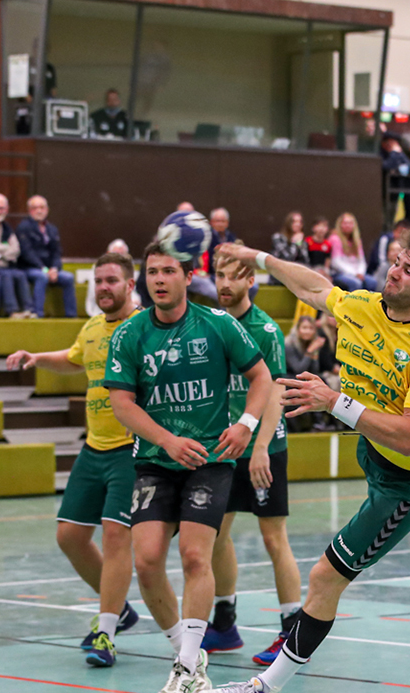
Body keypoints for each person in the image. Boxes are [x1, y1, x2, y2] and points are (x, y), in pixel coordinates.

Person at [211, 229, 410, 693]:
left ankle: (265, 686)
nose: (394, 272)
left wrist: (334, 401)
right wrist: (256, 255)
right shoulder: (365, 306)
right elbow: (313, 287)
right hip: (373, 453)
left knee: (326, 577)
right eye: (396, 261)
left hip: (406, 482)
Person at [105, 241, 273, 693]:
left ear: (187, 276)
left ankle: (183, 669)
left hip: (210, 459)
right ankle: (189, 654)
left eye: (168, 271)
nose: (158, 280)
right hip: (155, 461)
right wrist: (167, 440)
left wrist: (246, 425)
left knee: (196, 556)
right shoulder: (129, 333)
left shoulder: (217, 324)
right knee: (146, 562)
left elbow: (261, 377)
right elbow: (121, 403)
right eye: (152, 272)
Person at [5, 253, 142, 667]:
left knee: (116, 536)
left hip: (131, 449)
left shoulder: (144, 327)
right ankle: (119, 609)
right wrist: (36, 358)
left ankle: (105, 632)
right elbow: (74, 358)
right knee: (69, 536)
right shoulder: (93, 327)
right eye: (98, 281)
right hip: (94, 446)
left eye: (111, 280)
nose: (103, 287)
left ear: (129, 285)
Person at [201, 252, 302, 666]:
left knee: (273, 538)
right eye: (219, 275)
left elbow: (277, 390)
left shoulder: (265, 329)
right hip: (225, 445)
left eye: (234, 276)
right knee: (214, 535)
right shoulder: (212, 323)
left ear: (251, 281)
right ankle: (225, 624)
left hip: (263, 446)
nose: (225, 283)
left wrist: (261, 447)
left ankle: (292, 630)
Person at [16, 195, 77, 318]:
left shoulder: (52, 229)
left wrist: (54, 268)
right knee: (42, 277)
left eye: (42, 207)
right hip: (30, 268)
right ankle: (38, 314)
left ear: (47, 210)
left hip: (50, 269)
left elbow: (56, 252)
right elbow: (27, 253)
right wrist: (44, 269)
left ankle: (71, 315)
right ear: (29, 210)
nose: (39, 211)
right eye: (35, 208)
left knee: (69, 277)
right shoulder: (23, 228)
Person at [85, 240, 141, 318]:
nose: (103, 287)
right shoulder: (98, 268)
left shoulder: (128, 269)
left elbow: (132, 291)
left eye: (122, 255)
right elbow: (94, 294)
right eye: (98, 281)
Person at [328, 213, 374, 291]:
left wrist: (360, 272)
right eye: (345, 223)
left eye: (350, 223)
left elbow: (361, 260)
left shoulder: (357, 240)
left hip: (357, 272)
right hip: (340, 273)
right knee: (356, 283)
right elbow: (336, 262)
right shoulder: (335, 239)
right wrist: (354, 274)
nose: (348, 225)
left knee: (372, 282)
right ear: (340, 225)